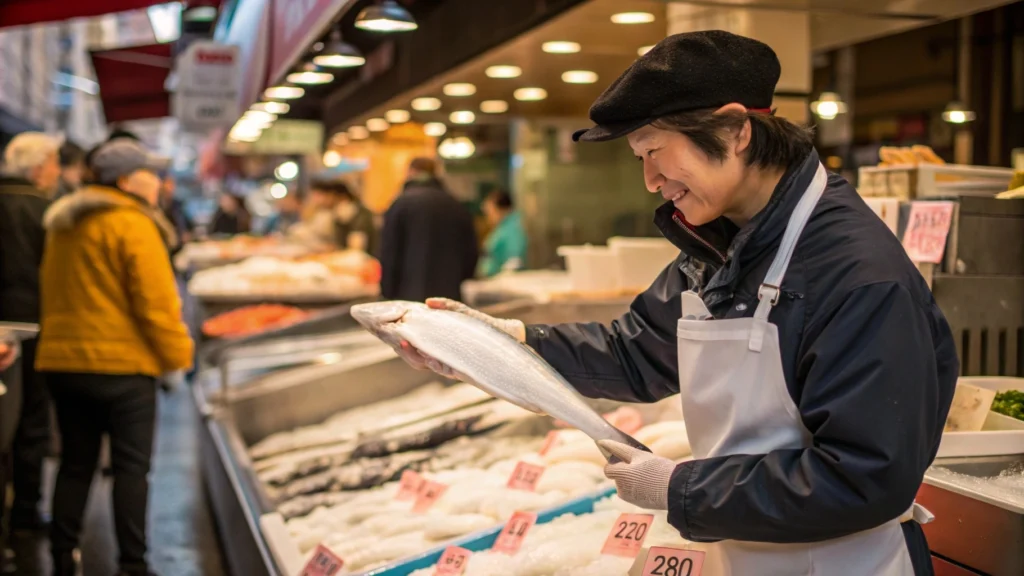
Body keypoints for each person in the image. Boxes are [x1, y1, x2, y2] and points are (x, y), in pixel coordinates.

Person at [391, 31, 956, 576]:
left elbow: (865, 477)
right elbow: (635, 353)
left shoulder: (857, 275)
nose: (650, 179)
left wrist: (680, 487)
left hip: (844, 564)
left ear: (736, 130)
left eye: (655, 151)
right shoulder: (721, 240)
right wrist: (507, 344)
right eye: (640, 157)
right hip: (745, 551)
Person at [37, 137, 194, 576]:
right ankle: (132, 565)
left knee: (74, 464)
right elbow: (158, 306)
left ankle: (62, 558)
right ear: (126, 180)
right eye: (150, 173)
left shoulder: (62, 222)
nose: (159, 181)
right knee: (130, 469)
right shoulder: (134, 224)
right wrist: (176, 360)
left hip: (64, 363)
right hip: (123, 369)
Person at [0, 131, 61, 534]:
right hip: (37, 326)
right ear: (39, 167)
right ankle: (25, 511)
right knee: (31, 423)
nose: (57, 171)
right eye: (54, 163)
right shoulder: (49, 212)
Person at [380, 157, 478, 301]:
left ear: (411, 172)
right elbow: (471, 252)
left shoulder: (401, 204)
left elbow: (390, 252)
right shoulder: (455, 204)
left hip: (408, 297)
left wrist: (387, 291)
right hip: (449, 296)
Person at [307, 179, 377, 254]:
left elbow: (357, 249)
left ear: (342, 197)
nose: (321, 201)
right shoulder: (337, 215)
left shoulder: (359, 214)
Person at [478, 189, 527, 277]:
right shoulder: (504, 228)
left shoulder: (513, 229)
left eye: (489, 211)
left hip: (507, 279)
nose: (488, 217)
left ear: (501, 209)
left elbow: (514, 261)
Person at [159, 175, 192, 245]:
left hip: (182, 244)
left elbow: (189, 224)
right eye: (168, 184)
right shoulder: (158, 206)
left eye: (172, 184)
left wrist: (187, 233)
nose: (170, 188)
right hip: (169, 244)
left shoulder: (177, 204)